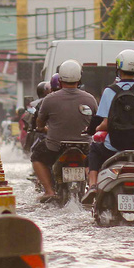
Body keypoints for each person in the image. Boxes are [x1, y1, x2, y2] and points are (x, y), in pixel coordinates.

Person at [81, 50, 134, 207]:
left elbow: (103, 122)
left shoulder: (109, 91)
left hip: (112, 147)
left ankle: (93, 185)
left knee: (94, 148)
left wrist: (94, 130)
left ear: (118, 67)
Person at [32, 60, 98, 202]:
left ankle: (49, 191)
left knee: (36, 156)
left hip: (55, 147)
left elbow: (40, 121)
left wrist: (41, 128)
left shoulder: (49, 99)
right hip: (85, 147)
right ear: (79, 79)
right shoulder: (90, 99)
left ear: (60, 79)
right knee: (95, 160)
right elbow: (96, 121)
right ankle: (93, 186)